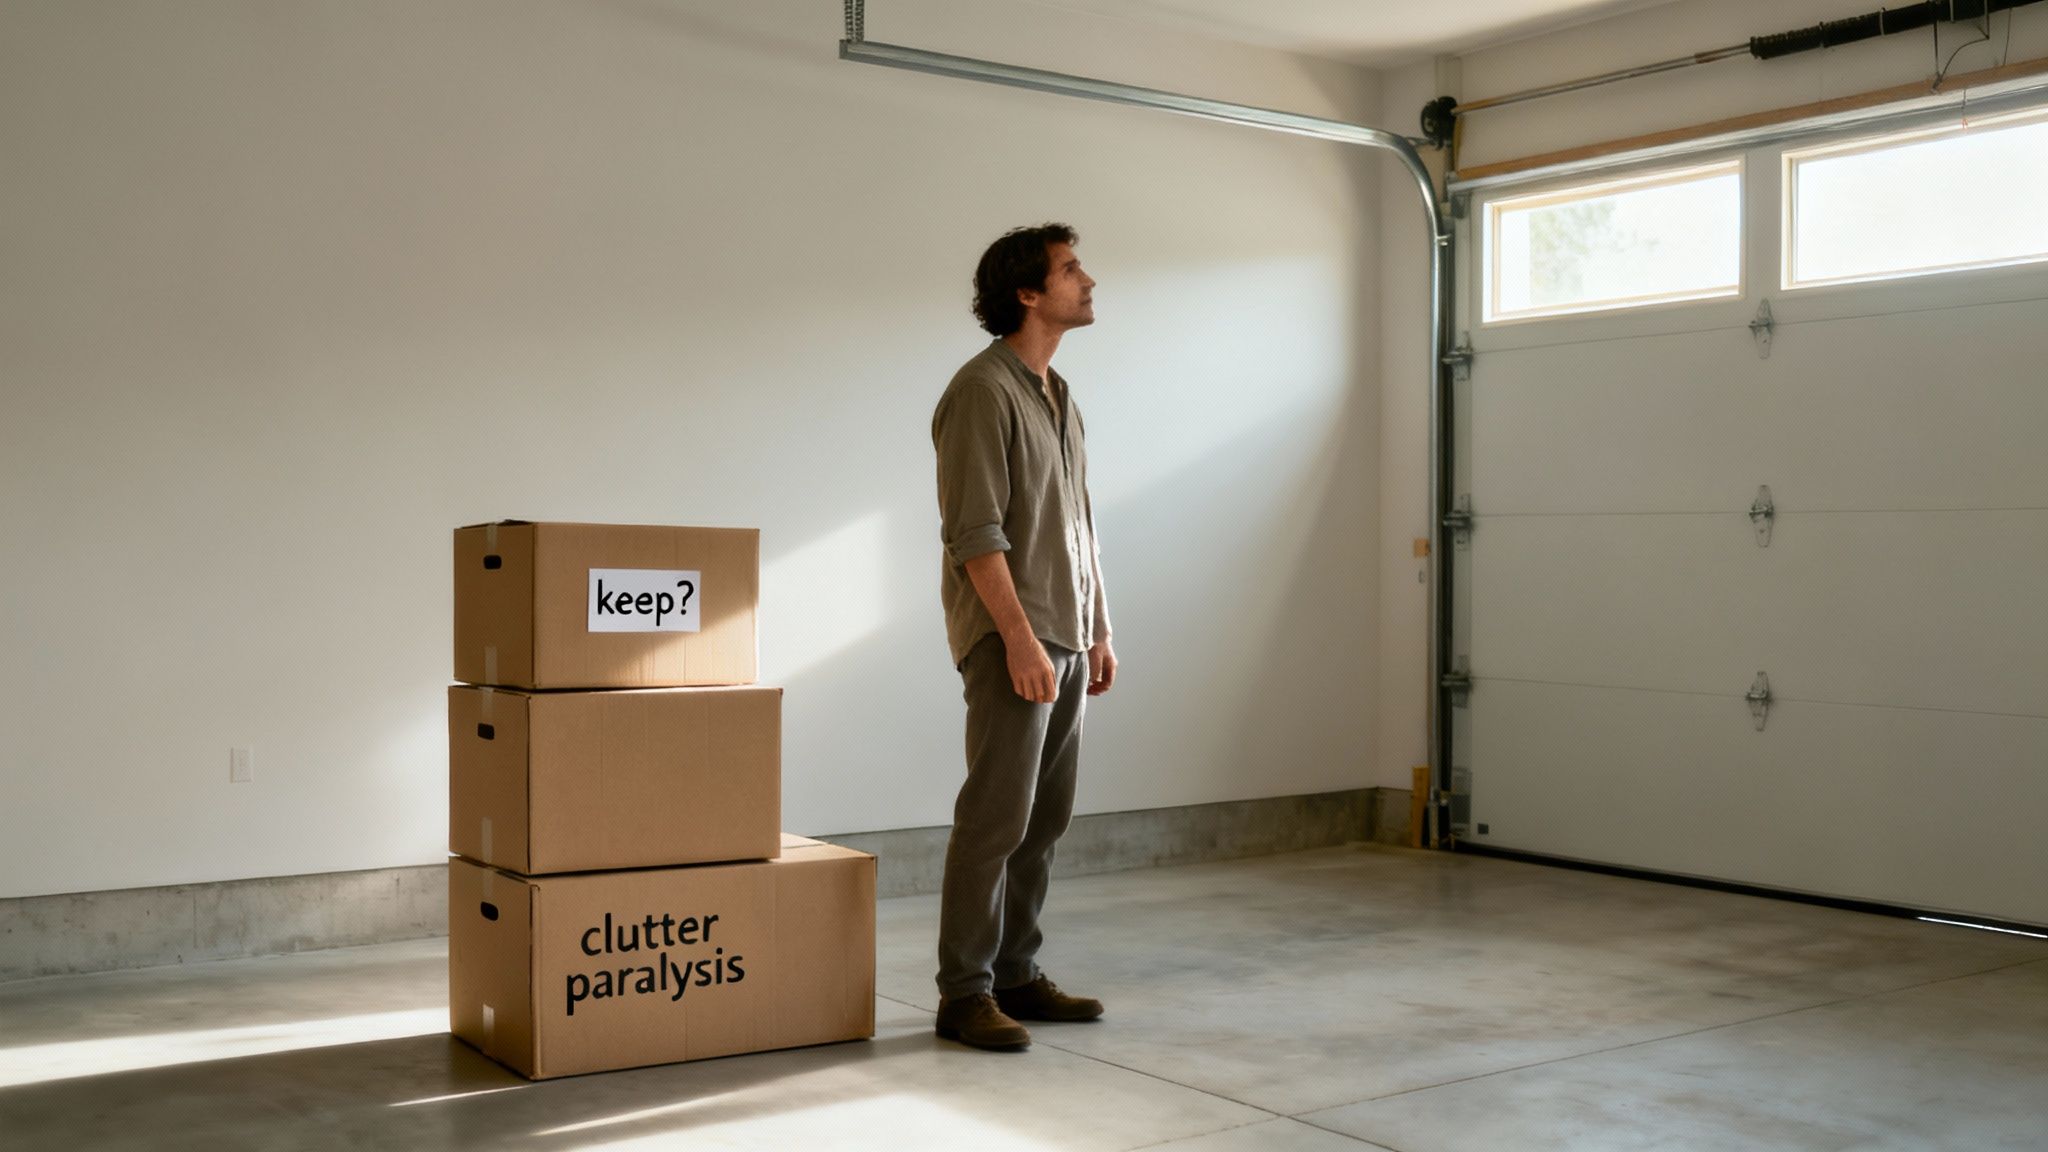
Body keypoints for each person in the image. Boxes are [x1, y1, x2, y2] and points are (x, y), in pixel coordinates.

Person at [929, 223, 1118, 1051]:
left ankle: (1015, 973)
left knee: (1044, 819)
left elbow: (1080, 524)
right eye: (1071, 270)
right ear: (1027, 294)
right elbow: (975, 533)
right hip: (1016, 638)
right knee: (995, 819)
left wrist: (1098, 628)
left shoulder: (1060, 395)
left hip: (1067, 634)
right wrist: (1018, 639)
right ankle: (964, 993)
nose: (1089, 280)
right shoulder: (982, 391)